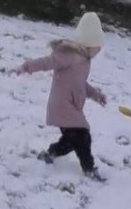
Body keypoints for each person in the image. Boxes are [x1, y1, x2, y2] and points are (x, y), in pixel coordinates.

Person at [14, 13, 108, 181]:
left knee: (74, 139)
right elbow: (47, 62)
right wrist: (27, 67)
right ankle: (88, 168)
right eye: (97, 46)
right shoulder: (70, 55)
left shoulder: (84, 60)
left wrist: (96, 95)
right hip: (62, 106)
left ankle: (51, 153)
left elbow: (80, 84)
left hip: (69, 106)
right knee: (82, 136)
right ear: (88, 42)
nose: (99, 50)